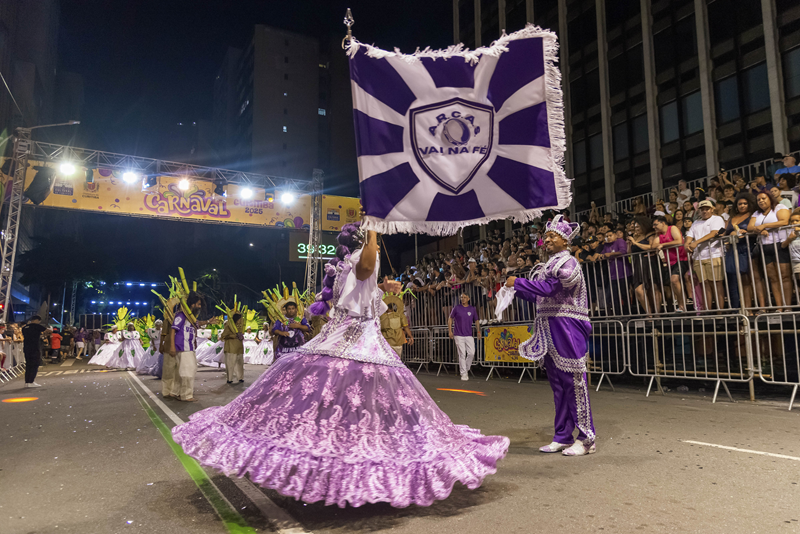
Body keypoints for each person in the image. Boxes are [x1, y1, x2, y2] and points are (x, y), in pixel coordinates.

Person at [171, 223, 509, 508]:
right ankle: (349, 471)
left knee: (350, 407)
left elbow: (363, 286)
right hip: (356, 343)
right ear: (362, 244)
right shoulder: (361, 259)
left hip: (357, 340)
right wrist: (375, 231)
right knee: (357, 406)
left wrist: (383, 286)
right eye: (368, 241)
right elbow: (365, 271)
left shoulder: (346, 265)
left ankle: (343, 472)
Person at [504, 215, 595, 456]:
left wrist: (520, 282)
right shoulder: (549, 265)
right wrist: (514, 289)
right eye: (546, 236)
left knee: (574, 381)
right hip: (549, 324)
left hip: (568, 325)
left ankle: (587, 439)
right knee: (558, 384)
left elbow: (551, 288)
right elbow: (541, 295)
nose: (547, 239)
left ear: (565, 240)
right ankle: (563, 435)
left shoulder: (569, 263)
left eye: (552, 235)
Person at [748, 191, 792, 312]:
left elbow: (784, 221)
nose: (761, 201)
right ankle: (779, 306)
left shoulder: (779, 207)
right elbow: (750, 227)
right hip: (765, 246)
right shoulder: (757, 213)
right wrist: (759, 230)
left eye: (763, 198)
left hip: (780, 244)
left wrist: (764, 226)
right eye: (758, 200)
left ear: (770, 198)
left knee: (785, 276)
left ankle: (787, 306)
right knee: (773, 278)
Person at [685, 200, 727, 310]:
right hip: (699, 256)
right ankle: (708, 310)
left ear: (712, 209)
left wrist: (696, 242)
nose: (704, 211)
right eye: (702, 209)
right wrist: (687, 243)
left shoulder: (717, 219)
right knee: (705, 284)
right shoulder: (695, 223)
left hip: (714, 253)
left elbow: (714, 233)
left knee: (717, 283)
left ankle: (720, 311)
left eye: (707, 209)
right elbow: (689, 235)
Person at [163, 292, 205, 402]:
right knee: (188, 372)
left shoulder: (190, 318)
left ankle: (175, 392)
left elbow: (197, 324)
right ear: (192, 304)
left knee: (181, 372)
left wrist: (209, 322)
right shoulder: (181, 315)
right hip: (182, 348)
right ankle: (186, 395)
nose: (199, 307)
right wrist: (172, 347)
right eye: (198, 304)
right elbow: (173, 330)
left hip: (189, 348)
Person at [723, 193, 758, 310]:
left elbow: (754, 230)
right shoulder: (731, 218)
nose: (742, 206)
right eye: (740, 204)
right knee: (739, 279)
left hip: (748, 248)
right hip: (733, 249)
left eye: (745, 203)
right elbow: (724, 232)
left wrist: (745, 233)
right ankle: (744, 308)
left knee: (750, 278)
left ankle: (752, 306)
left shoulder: (753, 215)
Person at [653, 216, 690, 311]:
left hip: (681, 258)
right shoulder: (659, 234)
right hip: (670, 262)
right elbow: (653, 245)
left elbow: (679, 241)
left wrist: (663, 244)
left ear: (663, 223)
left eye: (656, 224)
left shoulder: (672, 228)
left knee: (674, 279)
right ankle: (682, 304)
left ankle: (682, 305)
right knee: (674, 283)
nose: (654, 227)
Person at [448, 293, 480, 381]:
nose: (463, 299)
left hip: (469, 334)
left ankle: (466, 368)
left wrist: (478, 331)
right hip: (458, 334)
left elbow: (476, 320)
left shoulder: (472, 309)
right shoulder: (457, 308)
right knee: (462, 353)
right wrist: (450, 330)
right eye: (461, 297)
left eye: (465, 297)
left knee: (471, 353)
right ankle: (464, 373)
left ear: (468, 298)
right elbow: (450, 318)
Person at [380, 292, 414, 358]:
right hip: (398, 342)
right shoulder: (400, 316)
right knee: (397, 362)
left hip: (386, 343)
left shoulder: (381, 317)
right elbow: (406, 327)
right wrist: (410, 336)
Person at [21, 316, 47, 387]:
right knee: (35, 364)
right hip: (35, 348)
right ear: (37, 320)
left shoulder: (24, 328)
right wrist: (42, 335)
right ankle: (31, 381)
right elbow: (47, 331)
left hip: (26, 348)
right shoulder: (37, 326)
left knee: (28, 365)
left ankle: (27, 381)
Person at [220, 313, 245, 384]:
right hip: (231, 347)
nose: (241, 320)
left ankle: (240, 377)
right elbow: (223, 336)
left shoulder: (241, 327)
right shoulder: (229, 326)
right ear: (237, 319)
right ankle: (229, 378)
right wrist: (232, 336)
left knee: (240, 363)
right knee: (230, 363)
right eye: (240, 319)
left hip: (239, 347)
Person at [782, 209, 800, 287]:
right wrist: (789, 239)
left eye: (797, 220)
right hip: (796, 260)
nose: (794, 223)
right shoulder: (789, 232)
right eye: (792, 221)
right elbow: (783, 245)